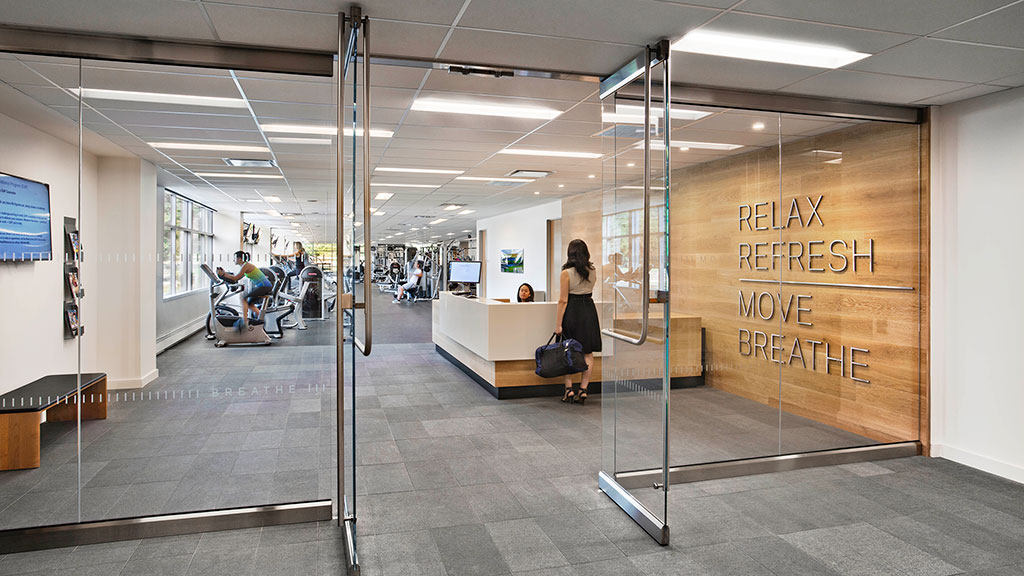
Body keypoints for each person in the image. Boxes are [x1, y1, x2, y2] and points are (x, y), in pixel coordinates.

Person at [555, 239, 601, 405]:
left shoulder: (566, 273)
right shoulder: (593, 270)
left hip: (572, 311)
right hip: (588, 310)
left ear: (570, 253)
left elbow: (563, 301)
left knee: (566, 350)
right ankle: (583, 389)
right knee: (588, 353)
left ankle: (569, 389)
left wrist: (558, 324)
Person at [217, 251, 273, 326]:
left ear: (239, 259)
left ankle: (245, 321)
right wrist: (224, 274)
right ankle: (261, 319)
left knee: (244, 298)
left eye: (235, 258)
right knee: (249, 303)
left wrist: (223, 274)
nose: (234, 260)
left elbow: (235, 277)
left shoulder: (246, 266)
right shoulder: (245, 266)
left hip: (264, 286)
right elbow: (236, 278)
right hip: (264, 286)